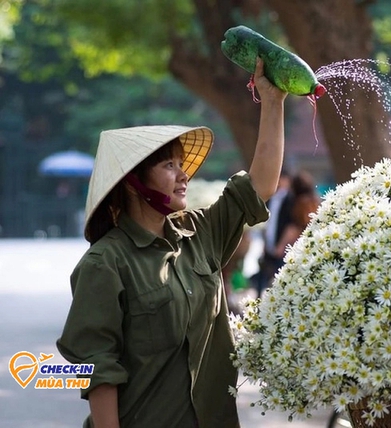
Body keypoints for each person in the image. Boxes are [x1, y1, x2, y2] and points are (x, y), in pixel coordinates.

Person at [56, 58, 286, 428]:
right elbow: (99, 369)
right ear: (133, 181)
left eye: (182, 164)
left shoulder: (201, 233)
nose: (184, 176)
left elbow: (260, 186)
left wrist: (273, 102)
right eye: (169, 166)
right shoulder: (106, 263)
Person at [254, 169, 293, 296]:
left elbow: (290, 225)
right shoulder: (270, 199)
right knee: (262, 279)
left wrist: (282, 245)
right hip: (269, 246)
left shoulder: (290, 199)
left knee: (280, 279)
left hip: (282, 248)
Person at [274, 170, 321, 258]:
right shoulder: (316, 201)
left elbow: (294, 227)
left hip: (299, 246)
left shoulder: (299, 204)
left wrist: (281, 246)